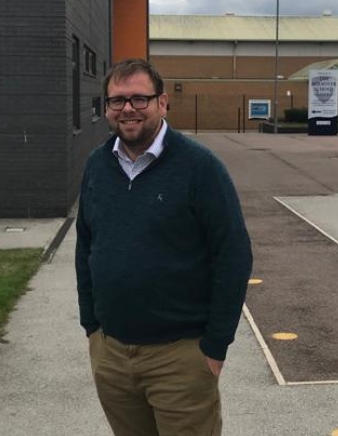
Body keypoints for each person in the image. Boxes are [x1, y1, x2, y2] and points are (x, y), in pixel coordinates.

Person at [75, 58, 253, 436]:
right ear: (106, 108)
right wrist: (91, 324)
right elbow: (86, 246)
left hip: (181, 357)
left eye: (140, 99)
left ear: (162, 103)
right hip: (112, 353)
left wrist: (215, 347)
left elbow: (233, 256)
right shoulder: (96, 166)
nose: (127, 109)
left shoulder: (199, 167)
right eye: (117, 101)